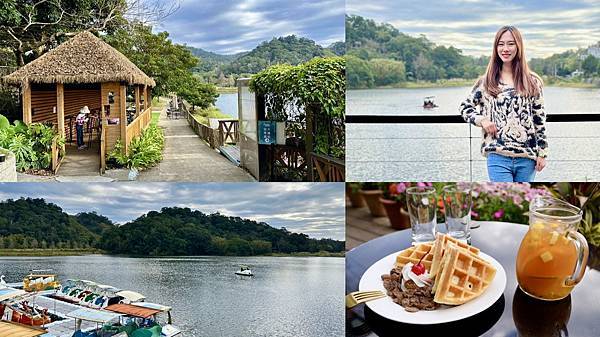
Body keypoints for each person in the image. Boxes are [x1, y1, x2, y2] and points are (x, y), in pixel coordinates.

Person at [460, 26, 547, 182]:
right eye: (501, 44)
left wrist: (543, 153)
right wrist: (483, 120)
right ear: (495, 48)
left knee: (522, 201)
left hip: (527, 157)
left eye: (510, 44)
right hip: (497, 155)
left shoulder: (532, 81)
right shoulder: (486, 82)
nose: (505, 49)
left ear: (518, 47)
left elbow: (539, 120)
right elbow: (465, 107)